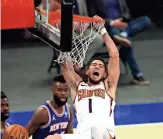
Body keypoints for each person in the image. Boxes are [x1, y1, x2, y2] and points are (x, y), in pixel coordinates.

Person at [46, 16, 119, 139]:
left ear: (105, 74)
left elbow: (114, 56)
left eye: (101, 66)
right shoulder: (77, 86)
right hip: (83, 135)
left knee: (97, 130)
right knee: (51, 138)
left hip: (105, 134)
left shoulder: (108, 86)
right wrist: (58, 36)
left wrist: (103, 31)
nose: (97, 67)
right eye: (94, 65)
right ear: (87, 71)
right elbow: (65, 66)